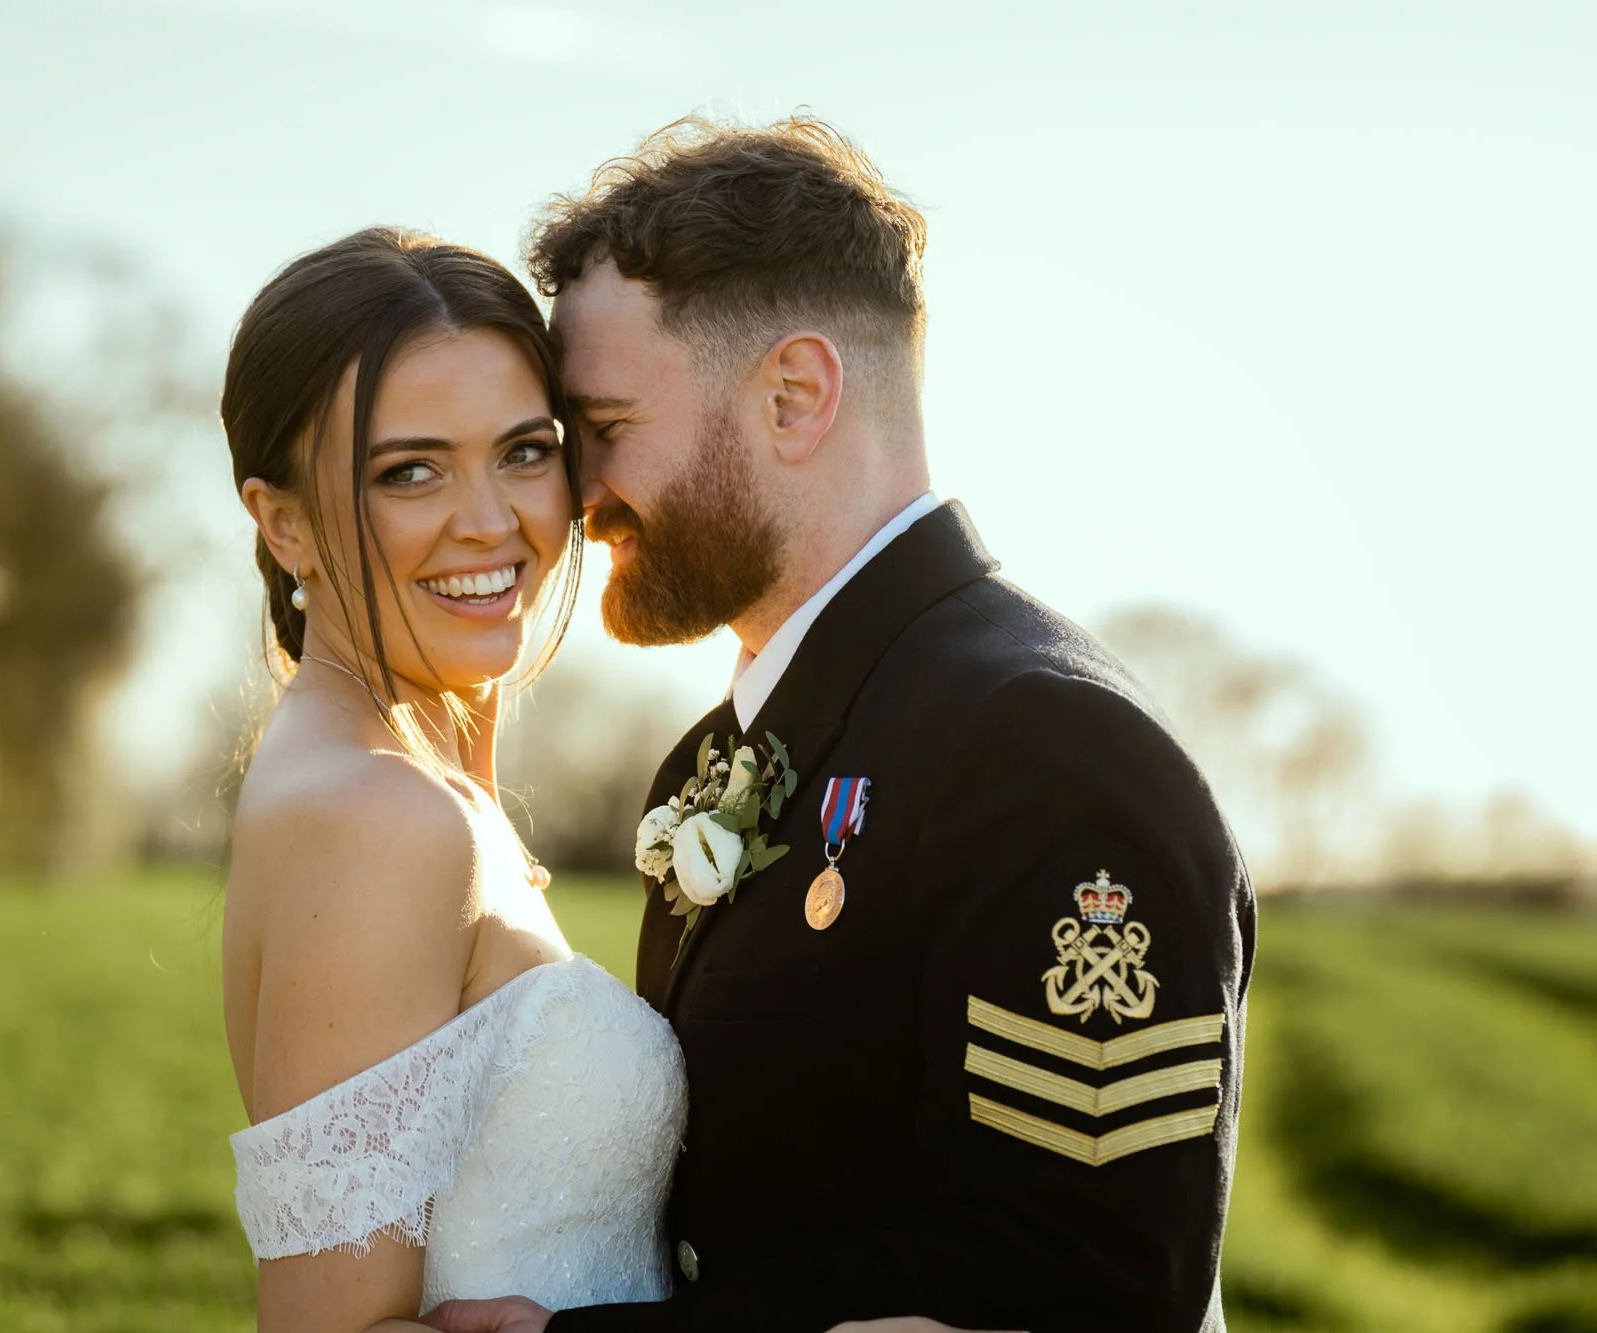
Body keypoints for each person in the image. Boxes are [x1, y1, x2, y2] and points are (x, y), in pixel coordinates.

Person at [424, 117, 1255, 1333]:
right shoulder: (716, 755)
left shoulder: (1049, 754)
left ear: (796, 395)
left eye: (604, 429)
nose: (577, 496)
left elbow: (1069, 1290)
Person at [218, 227, 940, 1333]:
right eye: (410, 469)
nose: (490, 520)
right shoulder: (374, 815)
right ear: (283, 524)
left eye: (522, 450)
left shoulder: (391, 771)